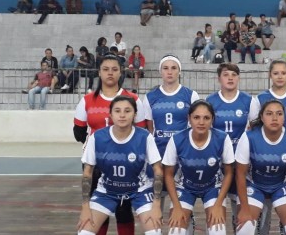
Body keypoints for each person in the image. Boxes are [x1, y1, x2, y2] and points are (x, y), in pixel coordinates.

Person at [73, 55, 147, 235]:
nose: (110, 73)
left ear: (121, 72)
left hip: (126, 162)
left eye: (114, 69)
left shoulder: (133, 99)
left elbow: (142, 132)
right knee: (99, 210)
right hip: (96, 164)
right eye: (106, 69)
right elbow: (79, 132)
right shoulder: (87, 100)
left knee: (124, 209)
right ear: (99, 72)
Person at [76, 96, 162, 235]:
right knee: (84, 233)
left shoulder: (145, 137)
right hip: (106, 191)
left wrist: (156, 205)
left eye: (127, 111)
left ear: (134, 114)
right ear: (110, 114)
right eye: (117, 111)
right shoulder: (97, 137)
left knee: (155, 232)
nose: (122, 115)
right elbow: (87, 172)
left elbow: (158, 170)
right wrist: (85, 207)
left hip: (139, 191)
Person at [162, 100, 235, 235]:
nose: (201, 122)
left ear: (212, 119)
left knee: (217, 230)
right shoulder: (177, 139)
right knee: (175, 230)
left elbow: (229, 173)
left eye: (206, 118)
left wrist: (218, 204)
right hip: (185, 187)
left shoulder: (222, 138)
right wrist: (177, 206)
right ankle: (188, 220)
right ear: (189, 119)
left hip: (213, 186)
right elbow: (168, 174)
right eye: (196, 117)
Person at [235, 100, 286, 235]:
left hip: (282, 184)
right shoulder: (249, 137)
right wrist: (244, 208)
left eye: (279, 114)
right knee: (245, 229)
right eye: (269, 114)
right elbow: (240, 174)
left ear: (284, 117)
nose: (274, 118)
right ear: (261, 117)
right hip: (254, 184)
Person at [206, 63, 260, 227]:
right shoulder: (210, 101)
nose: (230, 77)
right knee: (217, 208)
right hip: (218, 162)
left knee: (242, 212)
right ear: (218, 78)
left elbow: (255, 131)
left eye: (234, 74)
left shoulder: (249, 100)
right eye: (226, 74)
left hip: (241, 162)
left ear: (239, 78)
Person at [143, 55, 200, 158]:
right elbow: (150, 127)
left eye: (174, 68)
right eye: (165, 68)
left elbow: (195, 125)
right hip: (159, 150)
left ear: (179, 71)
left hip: (184, 149)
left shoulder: (191, 95)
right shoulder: (149, 97)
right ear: (160, 71)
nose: (169, 72)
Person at [257, 59, 286, 129]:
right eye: (276, 73)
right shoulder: (260, 98)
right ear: (270, 75)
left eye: (283, 73)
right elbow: (255, 125)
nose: (280, 77)